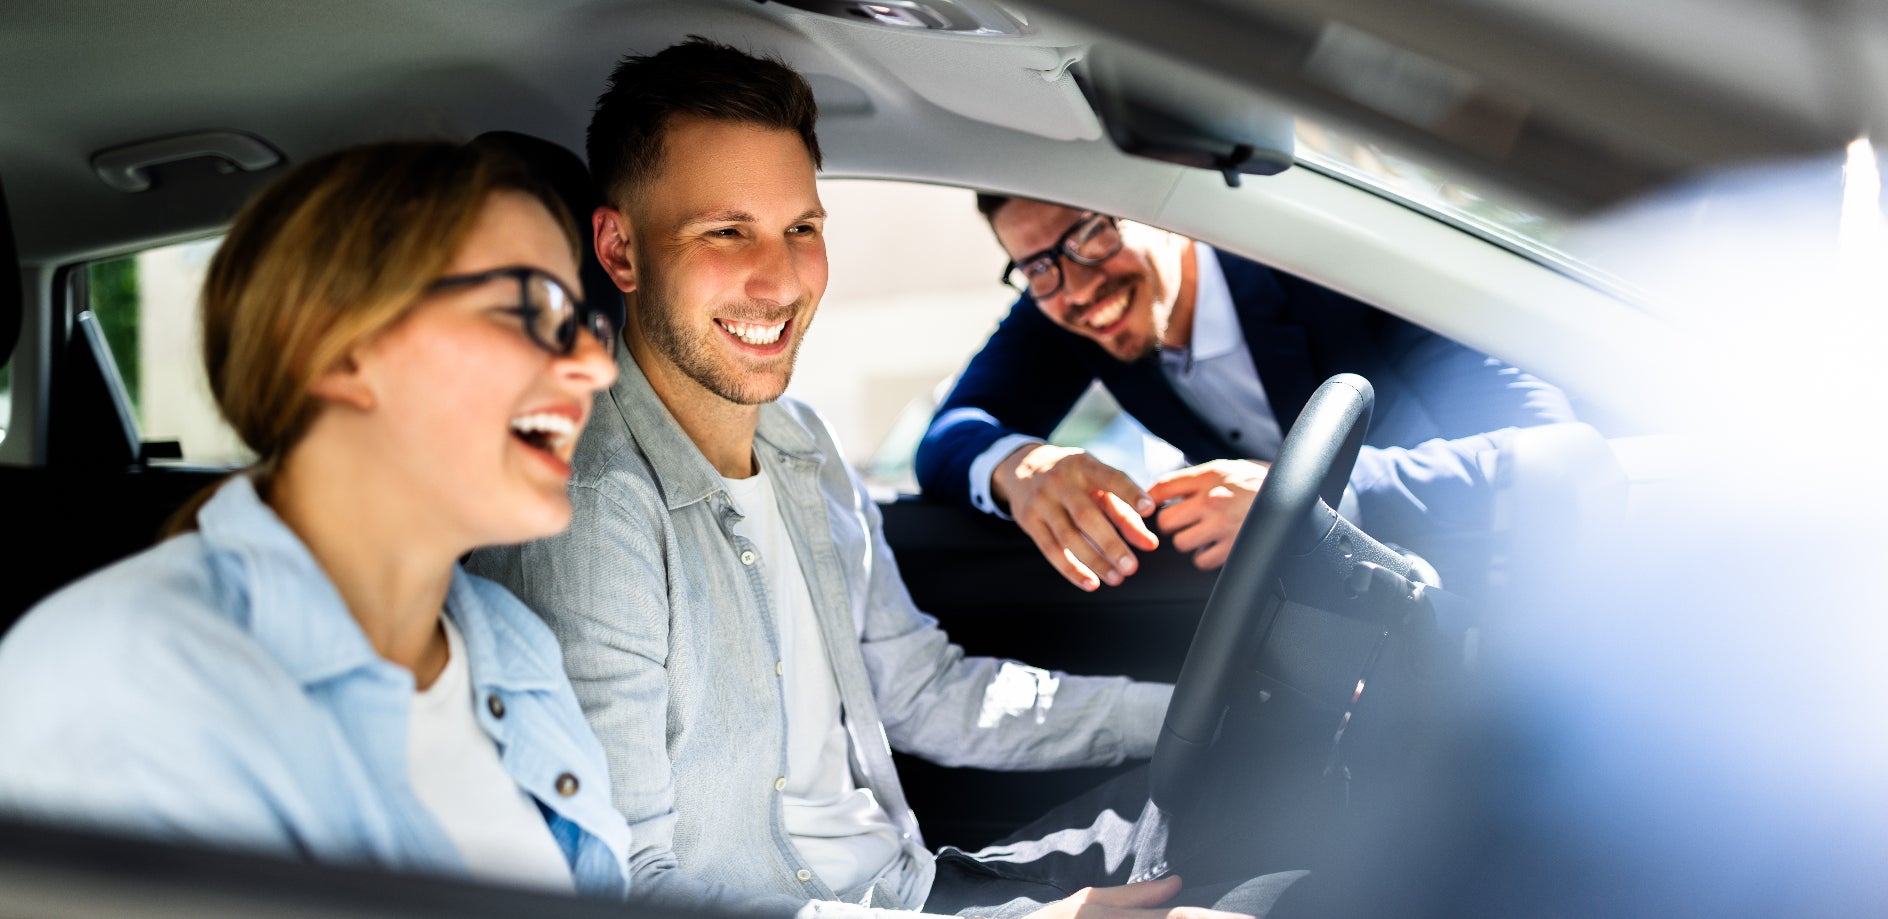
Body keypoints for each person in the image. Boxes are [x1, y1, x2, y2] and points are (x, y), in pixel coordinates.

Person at [468, 38, 1293, 919]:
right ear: (621, 253)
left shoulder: (800, 443)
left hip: (912, 887)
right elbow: (634, 888)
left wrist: (1196, 711)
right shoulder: (594, 510)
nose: (779, 278)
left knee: (1278, 815)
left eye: (801, 229)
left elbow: (928, 694)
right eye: (725, 232)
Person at [0, 141, 632, 896]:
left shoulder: (512, 644)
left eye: (585, 320)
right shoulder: (126, 684)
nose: (597, 364)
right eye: (530, 308)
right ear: (333, 350)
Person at [915, 200, 1576, 590]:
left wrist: (1298, 502)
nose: (1078, 288)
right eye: (1036, 266)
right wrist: (1022, 467)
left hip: (1509, 583)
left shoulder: (1324, 264)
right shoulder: (1059, 307)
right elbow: (948, 436)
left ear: (1159, 205)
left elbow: (1538, 447)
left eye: (1092, 231)